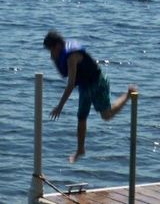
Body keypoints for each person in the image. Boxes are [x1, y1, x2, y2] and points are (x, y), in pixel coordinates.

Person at [43, 30, 136, 163]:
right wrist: (54, 59)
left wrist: (59, 107)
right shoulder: (61, 54)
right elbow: (65, 75)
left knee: (106, 115)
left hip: (98, 82)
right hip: (85, 86)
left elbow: (70, 85)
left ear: (57, 46)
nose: (51, 54)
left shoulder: (72, 57)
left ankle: (127, 95)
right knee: (81, 118)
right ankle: (80, 150)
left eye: (51, 50)